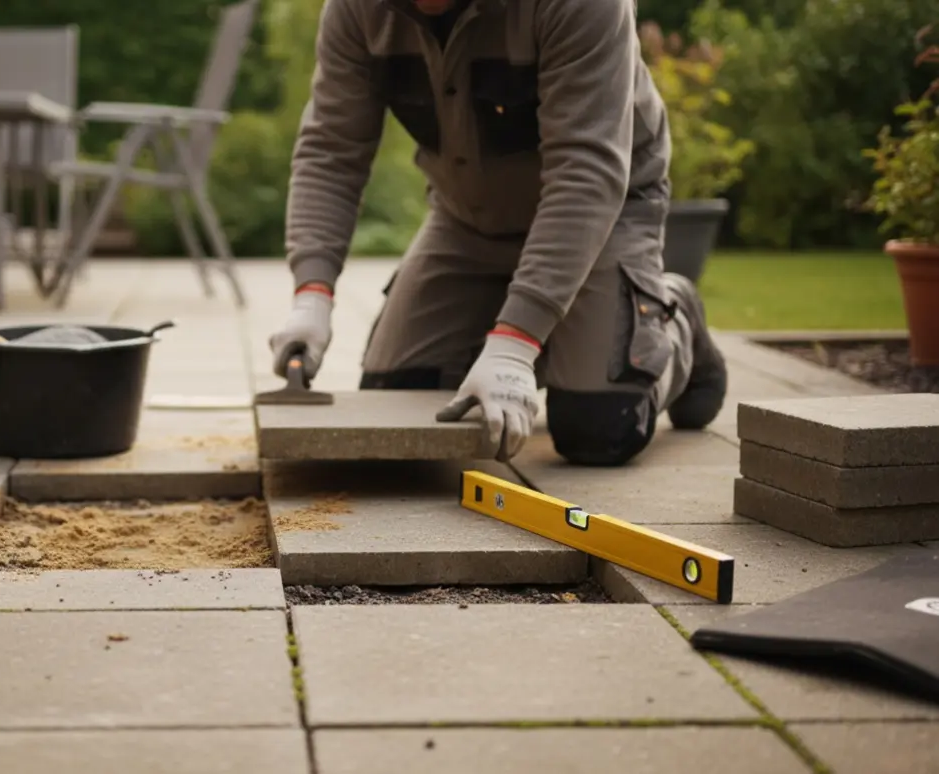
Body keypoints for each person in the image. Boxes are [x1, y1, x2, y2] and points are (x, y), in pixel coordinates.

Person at [267, 0, 728, 466]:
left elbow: (586, 175)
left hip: (606, 212)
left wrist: (514, 344)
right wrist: (312, 293)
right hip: (467, 219)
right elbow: (331, 151)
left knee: (599, 428)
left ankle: (673, 322)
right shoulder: (356, 10)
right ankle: (570, 337)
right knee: (401, 397)